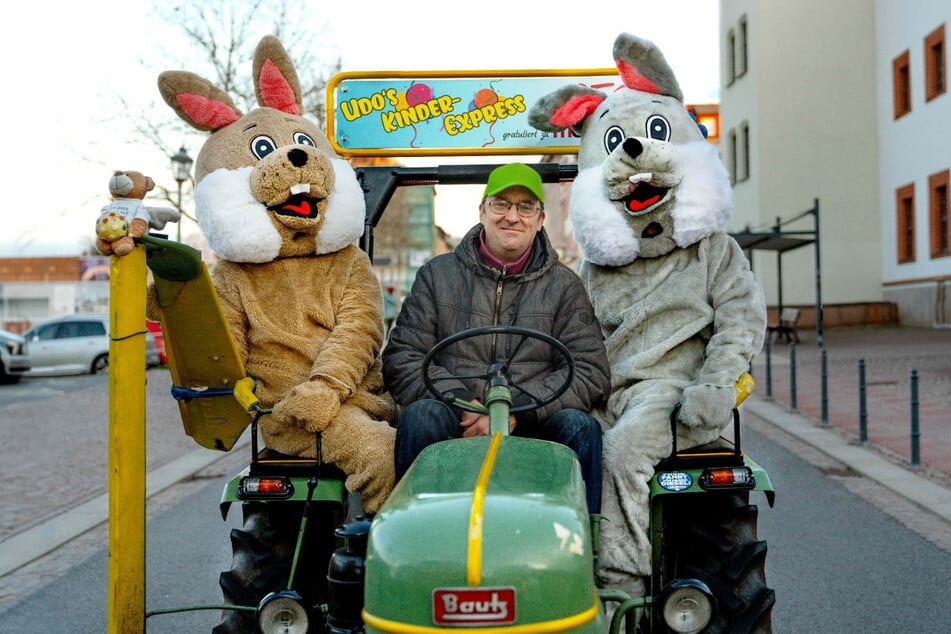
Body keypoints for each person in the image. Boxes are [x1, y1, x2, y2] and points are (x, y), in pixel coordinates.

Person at [382, 162, 611, 515]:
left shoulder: (565, 286)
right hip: (457, 416)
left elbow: (589, 369)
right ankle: (410, 538)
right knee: (420, 416)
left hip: (533, 420)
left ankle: (584, 547)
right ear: (483, 211)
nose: (512, 216)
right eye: (501, 204)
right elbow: (404, 357)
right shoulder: (437, 276)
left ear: (540, 219)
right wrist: (464, 404)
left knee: (581, 427)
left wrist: (517, 409)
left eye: (525, 207)